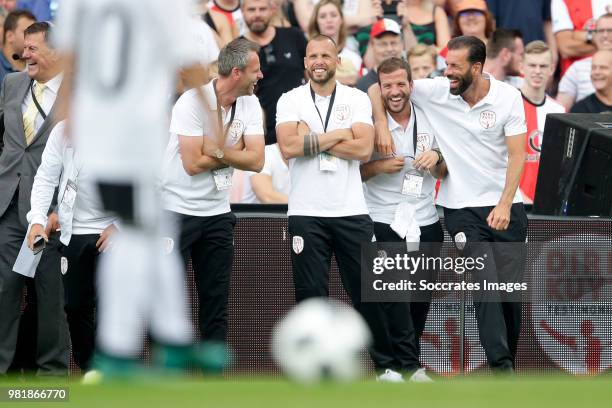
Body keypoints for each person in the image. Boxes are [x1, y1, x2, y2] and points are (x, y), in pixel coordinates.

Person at [54, 0, 225, 376]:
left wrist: (68, 112)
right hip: (137, 129)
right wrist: (211, 114)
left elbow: (69, 57)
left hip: (100, 129)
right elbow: (191, 63)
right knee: (139, 232)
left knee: (146, 230)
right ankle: (127, 348)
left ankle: (168, 339)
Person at [370, 36, 528, 372]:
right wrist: (381, 124)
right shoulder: (439, 89)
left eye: (455, 66)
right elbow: (377, 87)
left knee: (510, 296)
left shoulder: (509, 97)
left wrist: (503, 205)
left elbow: (518, 156)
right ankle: (502, 369)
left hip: (507, 206)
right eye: (446, 64)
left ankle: (507, 363)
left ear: (477, 67)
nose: (447, 72)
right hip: (461, 210)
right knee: (485, 287)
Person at [278, 35, 412, 382]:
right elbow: (290, 146)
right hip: (306, 213)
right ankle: (311, 371)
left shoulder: (354, 98)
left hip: (351, 210)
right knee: (311, 298)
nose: (319, 61)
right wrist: (341, 135)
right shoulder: (289, 99)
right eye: (312, 55)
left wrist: (319, 137)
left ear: (338, 59)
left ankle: (386, 367)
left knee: (367, 293)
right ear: (305, 62)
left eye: (326, 54)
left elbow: (364, 149)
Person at [161, 38, 265, 349]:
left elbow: (257, 160)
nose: (260, 77)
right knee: (169, 299)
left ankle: (212, 384)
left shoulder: (251, 103)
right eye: (255, 71)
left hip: (218, 212)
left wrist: (217, 149)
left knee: (216, 300)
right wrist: (235, 152)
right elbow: (192, 164)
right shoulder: (191, 102)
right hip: (175, 209)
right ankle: (169, 379)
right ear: (236, 72)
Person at [361, 57, 447, 382]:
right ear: (379, 89)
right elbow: (352, 174)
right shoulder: (369, 120)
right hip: (383, 219)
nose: (395, 92)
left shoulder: (430, 117)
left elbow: (446, 170)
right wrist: (378, 166)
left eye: (400, 84)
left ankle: (400, 367)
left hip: (425, 219)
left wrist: (437, 158)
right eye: (388, 86)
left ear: (411, 85)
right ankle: (408, 367)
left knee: (418, 299)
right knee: (393, 296)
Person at [0, 21, 68, 377]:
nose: (24, 55)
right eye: (23, 48)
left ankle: (52, 375)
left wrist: (59, 208)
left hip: (51, 213)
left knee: (49, 296)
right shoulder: (11, 84)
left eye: (33, 49)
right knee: (4, 291)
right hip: (8, 207)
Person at [25, 121, 118, 372]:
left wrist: (122, 225)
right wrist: (37, 219)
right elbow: (45, 176)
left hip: (111, 231)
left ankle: (108, 374)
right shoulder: (62, 130)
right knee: (75, 307)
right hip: (73, 232)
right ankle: (90, 370)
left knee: (110, 308)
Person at [242, 0, 307, 145]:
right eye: (252, 9)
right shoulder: (237, 49)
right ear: (242, 12)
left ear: (272, 10)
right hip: (264, 134)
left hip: (303, 126)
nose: (257, 14)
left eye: (262, 9)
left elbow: (312, 76)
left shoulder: (294, 36)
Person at [518, 41, 565, 204]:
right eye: (532, 65)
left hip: (546, 202)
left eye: (543, 66)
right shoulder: (508, 105)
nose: (537, 71)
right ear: (521, 67)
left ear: (552, 69)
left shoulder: (559, 110)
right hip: (513, 201)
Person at [557, 13, 612, 110]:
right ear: (593, 34)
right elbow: (559, 110)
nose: (605, 35)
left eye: (610, 30)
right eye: (600, 31)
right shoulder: (577, 68)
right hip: (585, 122)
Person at [308, 0, 363, 86]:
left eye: (333, 15)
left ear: (341, 20)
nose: (329, 20)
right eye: (323, 16)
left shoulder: (354, 58)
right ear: (316, 22)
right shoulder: (308, 55)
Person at [485, 0, 557, 65]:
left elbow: (547, 20)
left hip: (537, 51)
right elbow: (491, 22)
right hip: (507, 53)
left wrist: (553, 52)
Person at [551, 0, 610, 76]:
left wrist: (577, 35)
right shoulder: (562, 1)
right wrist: (592, 37)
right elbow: (565, 48)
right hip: (579, 78)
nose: (605, 35)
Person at [355, 18, 404, 93]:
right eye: (383, 44)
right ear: (372, 46)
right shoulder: (361, 86)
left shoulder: (412, 79)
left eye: (393, 43)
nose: (389, 49)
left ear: (402, 45)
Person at [0, 9, 35, 85]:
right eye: (27, 32)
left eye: (35, 33)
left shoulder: (38, 67)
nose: (34, 38)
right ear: (10, 36)